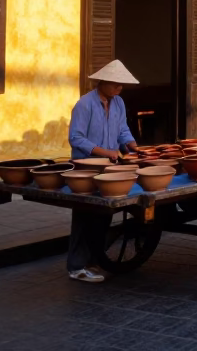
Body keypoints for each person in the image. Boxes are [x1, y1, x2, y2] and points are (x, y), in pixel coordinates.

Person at [66, 59, 142, 283]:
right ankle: (77, 267)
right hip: (85, 168)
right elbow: (76, 138)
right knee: (83, 215)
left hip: (108, 168)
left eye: (121, 85)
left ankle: (94, 258)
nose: (120, 89)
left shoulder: (118, 103)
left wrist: (132, 145)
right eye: (116, 85)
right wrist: (103, 152)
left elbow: (123, 130)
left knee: (104, 214)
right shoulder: (85, 104)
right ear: (103, 82)